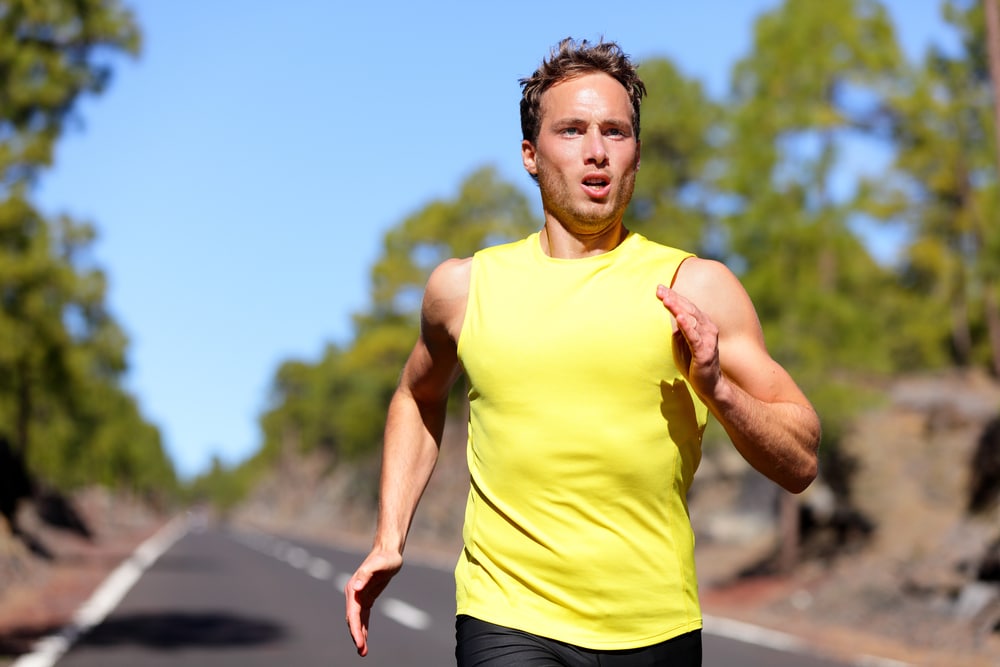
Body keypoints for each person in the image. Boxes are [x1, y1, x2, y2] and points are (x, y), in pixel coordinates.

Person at [345, 37, 821, 666]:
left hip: (655, 629)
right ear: (530, 155)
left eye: (615, 133)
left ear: (637, 154)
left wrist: (720, 391)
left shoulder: (694, 287)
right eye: (571, 130)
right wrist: (389, 535)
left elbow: (801, 459)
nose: (596, 151)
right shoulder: (464, 289)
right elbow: (417, 393)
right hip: (507, 614)